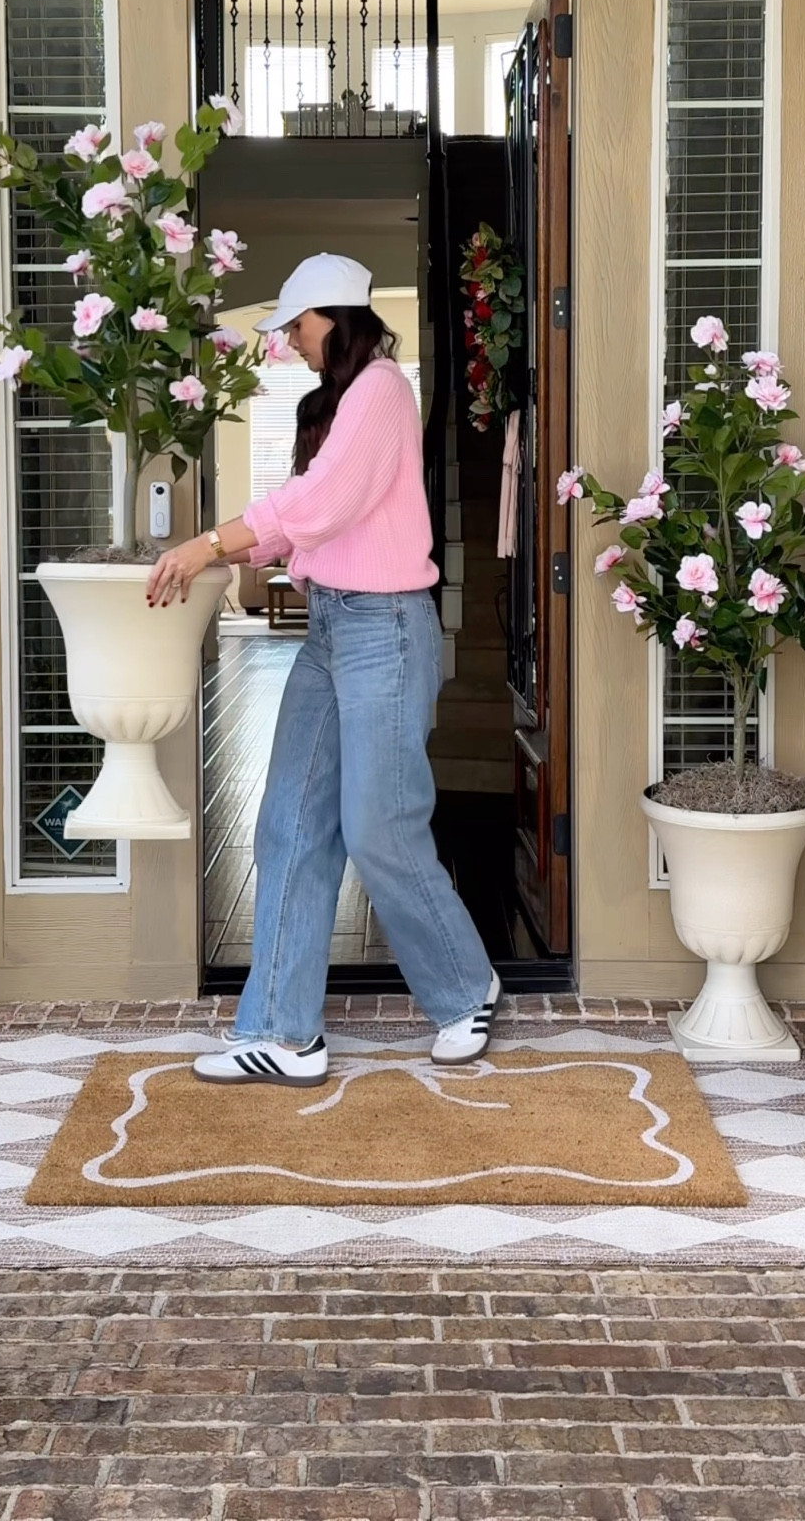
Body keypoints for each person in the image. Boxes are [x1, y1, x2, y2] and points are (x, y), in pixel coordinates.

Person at [146, 252, 500, 1088]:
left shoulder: (382, 389)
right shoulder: (345, 403)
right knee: (290, 823)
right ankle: (283, 1030)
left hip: (386, 630)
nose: (295, 342)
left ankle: (463, 986)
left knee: (380, 826)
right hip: (332, 628)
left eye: (298, 326)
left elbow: (321, 504)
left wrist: (206, 541)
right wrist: (218, 554)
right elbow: (303, 522)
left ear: (334, 318)